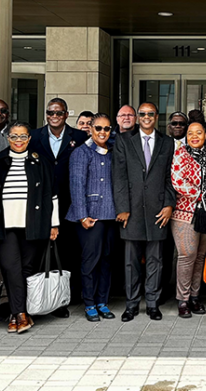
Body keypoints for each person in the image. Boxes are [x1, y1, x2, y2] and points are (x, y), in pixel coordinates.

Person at [0, 122, 60, 334]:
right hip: (4, 225)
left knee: (27, 268)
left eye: (23, 137)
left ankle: (16, 313)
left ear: (29, 139)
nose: (18, 141)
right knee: (11, 267)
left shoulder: (41, 162)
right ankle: (20, 314)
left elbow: (51, 195)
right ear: (7, 138)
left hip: (33, 225)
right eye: (14, 136)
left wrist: (54, 223)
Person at [113, 102, 176, 322]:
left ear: (156, 116)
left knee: (155, 261)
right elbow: (119, 176)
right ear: (137, 117)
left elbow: (171, 176)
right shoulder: (123, 140)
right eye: (143, 114)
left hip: (158, 211)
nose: (146, 117)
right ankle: (131, 305)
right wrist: (122, 208)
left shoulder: (167, 142)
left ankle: (152, 304)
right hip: (131, 212)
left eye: (150, 114)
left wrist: (169, 204)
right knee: (131, 262)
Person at [29, 97, 88, 318]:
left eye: (58, 113)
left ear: (66, 115)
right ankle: (40, 297)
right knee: (41, 250)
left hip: (70, 202)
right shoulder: (35, 136)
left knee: (68, 251)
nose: (54, 116)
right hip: (41, 203)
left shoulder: (80, 137)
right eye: (50, 113)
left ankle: (64, 298)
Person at [67, 114, 118, 322]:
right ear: (91, 129)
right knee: (90, 261)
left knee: (106, 260)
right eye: (98, 128)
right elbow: (76, 185)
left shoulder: (113, 152)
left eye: (106, 129)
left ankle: (102, 301)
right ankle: (88, 303)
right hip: (90, 216)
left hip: (110, 215)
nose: (103, 132)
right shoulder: (81, 152)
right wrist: (82, 215)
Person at [169, 122, 206, 318]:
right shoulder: (180, 153)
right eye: (190, 133)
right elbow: (178, 181)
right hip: (184, 214)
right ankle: (183, 299)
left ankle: (195, 296)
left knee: (200, 257)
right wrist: (204, 193)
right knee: (186, 256)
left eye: (199, 132)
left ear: (205, 134)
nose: (194, 136)